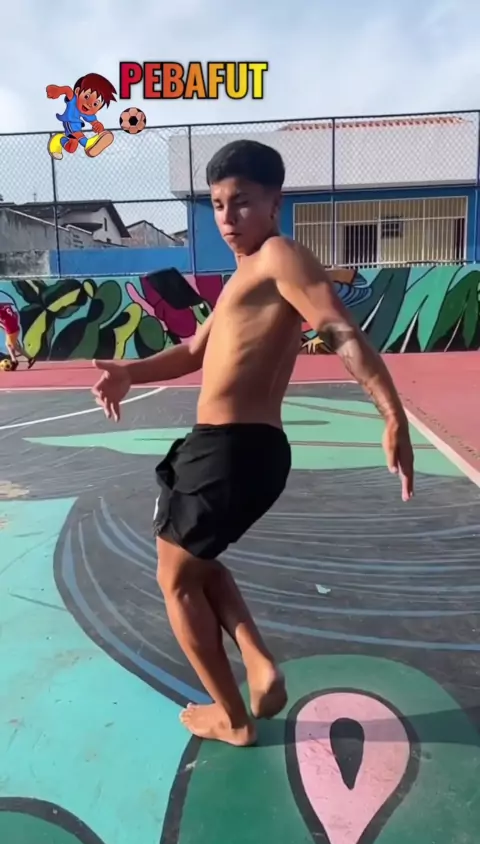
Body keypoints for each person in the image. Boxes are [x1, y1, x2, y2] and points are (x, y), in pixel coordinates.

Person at [91, 140, 414, 747]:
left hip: (230, 449)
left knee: (175, 582)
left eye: (241, 202)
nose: (227, 217)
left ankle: (233, 718)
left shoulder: (278, 256)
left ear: (274, 204)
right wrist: (130, 372)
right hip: (238, 450)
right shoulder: (247, 277)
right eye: (217, 204)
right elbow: (194, 351)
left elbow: (337, 328)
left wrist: (391, 411)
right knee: (196, 561)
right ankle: (259, 664)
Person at [0, 303, 35, 369]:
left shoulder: (1, 312)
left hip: (11, 331)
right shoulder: (6, 307)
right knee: (14, 345)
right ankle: (28, 359)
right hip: (15, 328)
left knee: (9, 345)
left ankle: (15, 361)